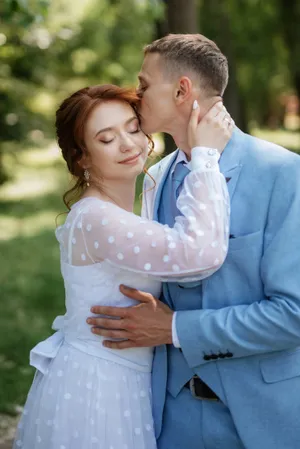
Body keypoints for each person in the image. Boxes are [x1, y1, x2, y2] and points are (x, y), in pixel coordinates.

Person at [87, 34, 300, 449]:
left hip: (260, 421)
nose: (136, 95)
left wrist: (176, 328)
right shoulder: (154, 177)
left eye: (144, 84)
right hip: (169, 419)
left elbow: (294, 313)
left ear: (182, 90)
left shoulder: (284, 174)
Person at [13, 84, 233, 449]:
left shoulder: (118, 207)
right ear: (81, 157)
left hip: (122, 377)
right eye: (106, 138)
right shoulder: (97, 218)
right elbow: (198, 253)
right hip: (100, 388)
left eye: (132, 128)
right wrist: (206, 159)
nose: (129, 144)